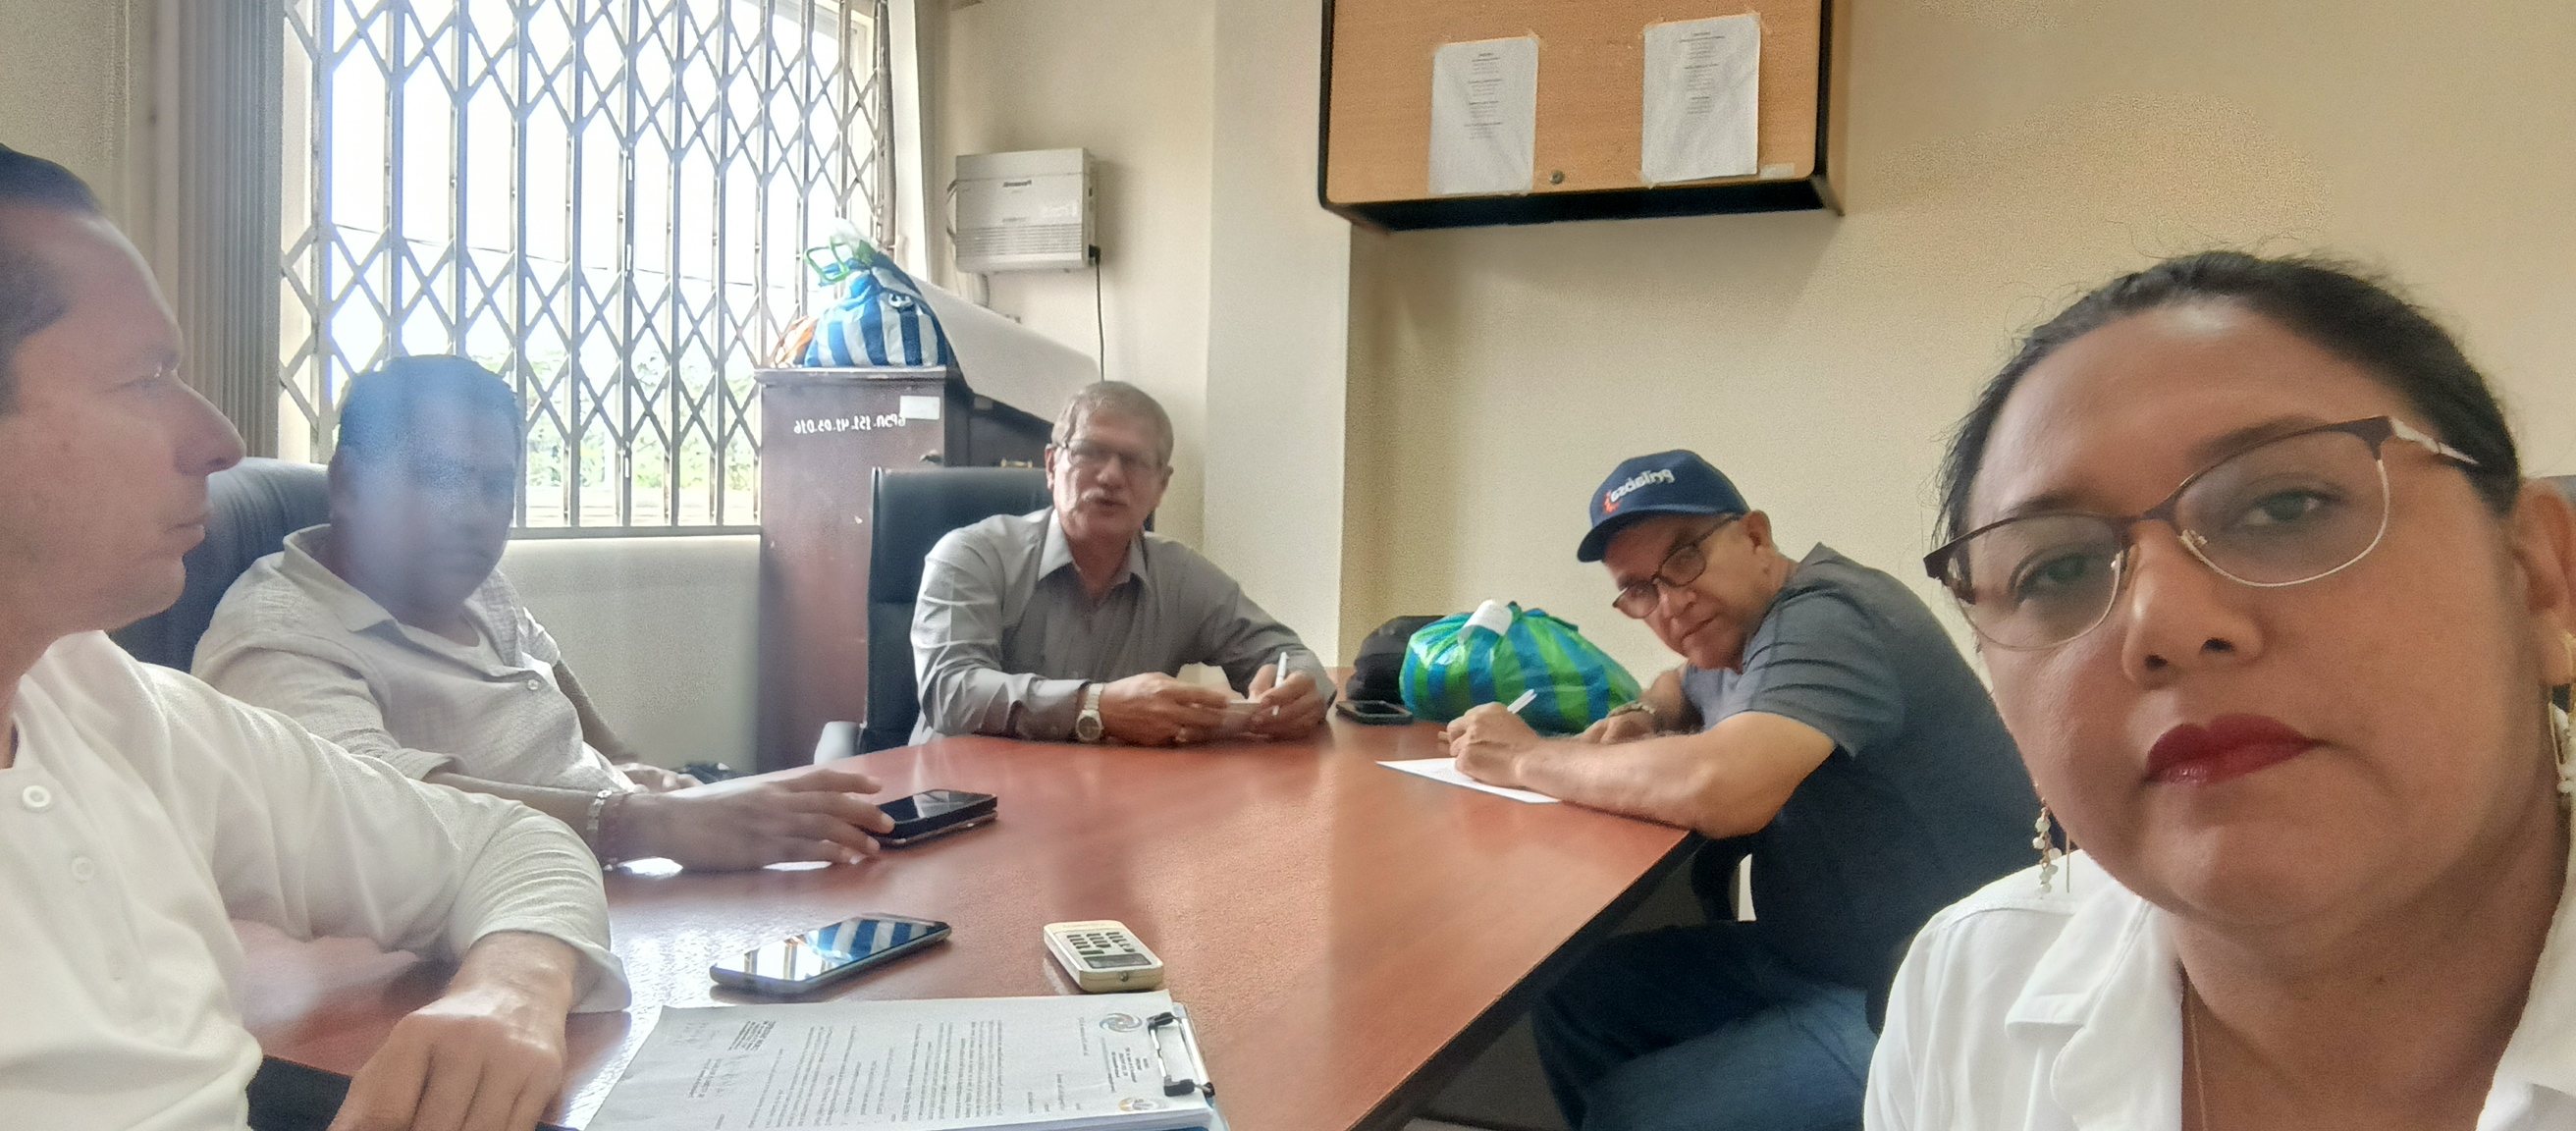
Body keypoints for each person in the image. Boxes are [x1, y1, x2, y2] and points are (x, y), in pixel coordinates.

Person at [1864, 252, 2576, 1130]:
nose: (2162, 624)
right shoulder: (1969, 994)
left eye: (2285, 507)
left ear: (2540, 577)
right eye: (2059, 569)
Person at [0, 144, 628, 1130]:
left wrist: (510, 989)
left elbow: (507, 846)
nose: (220, 442)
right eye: (145, 379)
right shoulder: (272, 634)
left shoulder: (106, 703)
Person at [1442, 450, 2038, 1131]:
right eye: (1640, 590)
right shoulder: (1736, 635)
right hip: (1815, 956)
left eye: (1684, 559)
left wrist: (1527, 758)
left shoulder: (1829, 617)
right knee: (1575, 997)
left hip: (1936, 996)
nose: (1671, 604)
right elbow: (1680, 683)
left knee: (1636, 1112)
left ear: (1756, 536)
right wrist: (1644, 713)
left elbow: (1724, 788)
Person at [192, 356, 896, 871]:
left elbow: (602, 744)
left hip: (615, 883)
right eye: (440, 477)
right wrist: (645, 824)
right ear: (348, 483)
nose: (474, 514)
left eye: (496, 485)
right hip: (473, 946)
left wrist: (656, 785)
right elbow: (376, 812)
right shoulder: (278, 635)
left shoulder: (479, 588)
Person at [910, 380, 1333, 745]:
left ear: (1161, 486)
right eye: (1090, 452)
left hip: (1108, 795)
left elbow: (1287, 654)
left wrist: (1301, 689)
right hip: (961, 797)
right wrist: (1095, 706)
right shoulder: (972, 555)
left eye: (1134, 461)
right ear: (1052, 465)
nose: (1111, 476)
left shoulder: (1180, 575)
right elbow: (950, 690)